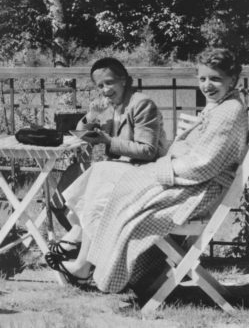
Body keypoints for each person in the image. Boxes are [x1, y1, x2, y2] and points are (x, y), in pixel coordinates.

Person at [45, 47, 248, 292]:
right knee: (101, 172)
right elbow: (195, 151)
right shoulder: (220, 105)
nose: (207, 85)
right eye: (203, 78)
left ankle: (81, 260)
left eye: (215, 78)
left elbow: (202, 163)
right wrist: (93, 116)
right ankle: (79, 252)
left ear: (233, 79)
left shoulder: (227, 112)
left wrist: (163, 165)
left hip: (191, 189)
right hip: (181, 177)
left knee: (110, 185)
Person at [48, 57, 168, 257]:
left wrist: (108, 141)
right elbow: (80, 130)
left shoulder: (142, 104)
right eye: (100, 86)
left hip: (141, 172)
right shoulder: (112, 105)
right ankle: (81, 242)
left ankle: (85, 249)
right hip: (117, 168)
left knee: (81, 180)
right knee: (67, 182)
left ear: (124, 80)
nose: (105, 90)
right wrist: (91, 115)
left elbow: (148, 151)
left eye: (109, 83)